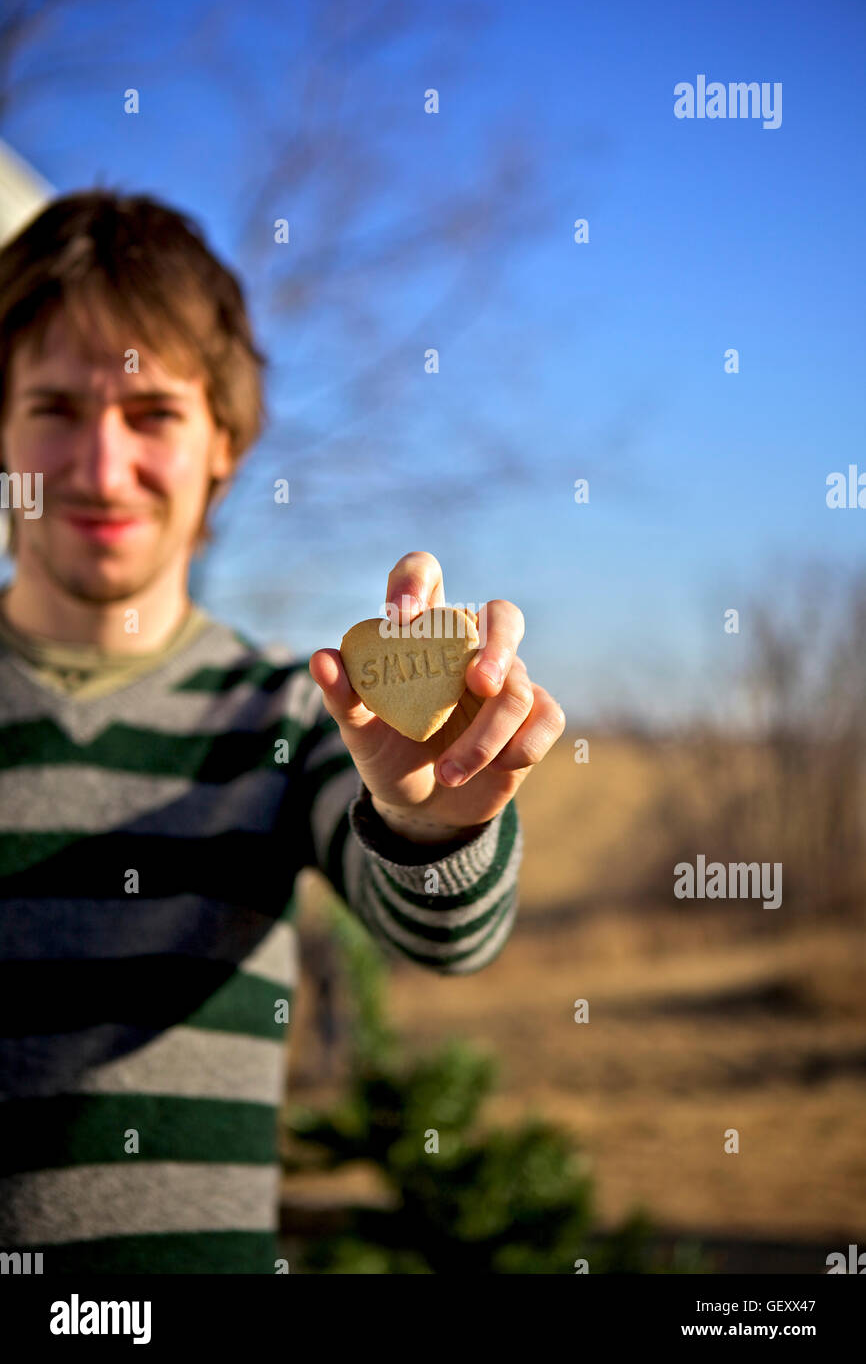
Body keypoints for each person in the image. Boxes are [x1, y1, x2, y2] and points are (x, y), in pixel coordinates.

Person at [0, 190, 565, 1274]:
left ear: (223, 440)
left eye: (151, 413)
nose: (101, 467)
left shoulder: (288, 713)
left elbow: (446, 937)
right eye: (55, 408)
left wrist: (432, 817)